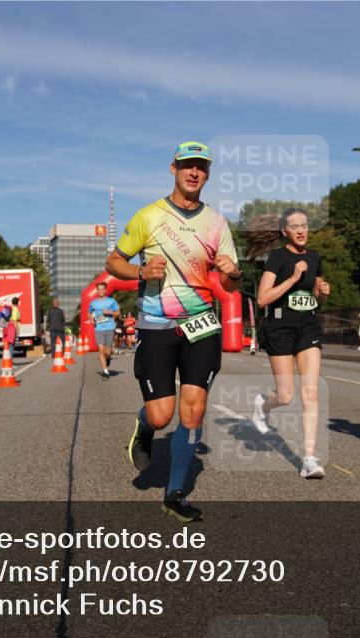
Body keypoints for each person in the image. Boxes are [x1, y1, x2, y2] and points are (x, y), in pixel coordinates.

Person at [106, 140, 241, 523]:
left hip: (202, 326)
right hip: (157, 325)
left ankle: (175, 493)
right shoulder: (148, 216)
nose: (194, 172)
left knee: (193, 411)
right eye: (187, 165)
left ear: (208, 174)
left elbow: (230, 285)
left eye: (201, 166)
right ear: (174, 169)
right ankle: (145, 426)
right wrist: (140, 271)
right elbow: (114, 262)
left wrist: (232, 273)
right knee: (162, 414)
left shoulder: (217, 224)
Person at [247, 209, 331, 479]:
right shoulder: (277, 257)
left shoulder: (314, 258)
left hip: (308, 326)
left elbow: (316, 297)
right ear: (285, 231)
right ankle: (262, 405)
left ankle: (309, 459)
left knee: (311, 393)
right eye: (295, 226)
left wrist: (322, 293)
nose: (301, 230)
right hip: (280, 327)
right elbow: (262, 299)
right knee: (285, 396)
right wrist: (293, 278)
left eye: (304, 225)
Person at [88, 282, 119, 379]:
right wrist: (91, 319)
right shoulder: (93, 303)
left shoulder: (111, 301)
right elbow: (89, 313)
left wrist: (109, 312)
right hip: (99, 328)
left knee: (108, 352)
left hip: (110, 327)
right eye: (99, 289)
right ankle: (105, 371)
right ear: (97, 291)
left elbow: (118, 313)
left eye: (102, 289)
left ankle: (108, 358)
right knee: (101, 350)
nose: (101, 291)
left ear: (105, 290)